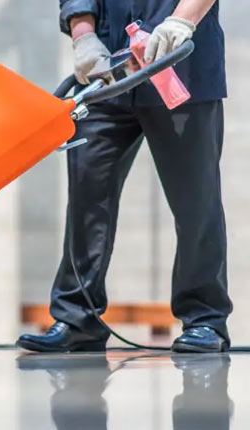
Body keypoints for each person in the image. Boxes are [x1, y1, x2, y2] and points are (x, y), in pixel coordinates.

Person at [17, 0, 231, 353]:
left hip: (180, 63)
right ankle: (77, 318)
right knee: (87, 195)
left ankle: (205, 321)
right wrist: (83, 36)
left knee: (196, 203)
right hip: (108, 71)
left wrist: (182, 20)